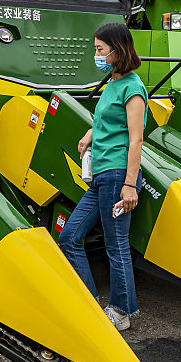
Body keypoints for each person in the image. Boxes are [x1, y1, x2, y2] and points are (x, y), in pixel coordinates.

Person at [58, 23, 147, 332]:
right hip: (101, 177)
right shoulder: (112, 84)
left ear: (116, 50)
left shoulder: (132, 88)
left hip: (117, 176)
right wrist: (88, 135)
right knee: (69, 237)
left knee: (116, 245)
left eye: (99, 49)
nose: (95, 54)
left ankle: (120, 312)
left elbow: (136, 139)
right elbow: (105, 121)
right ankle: (93, 303)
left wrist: (130, 184)